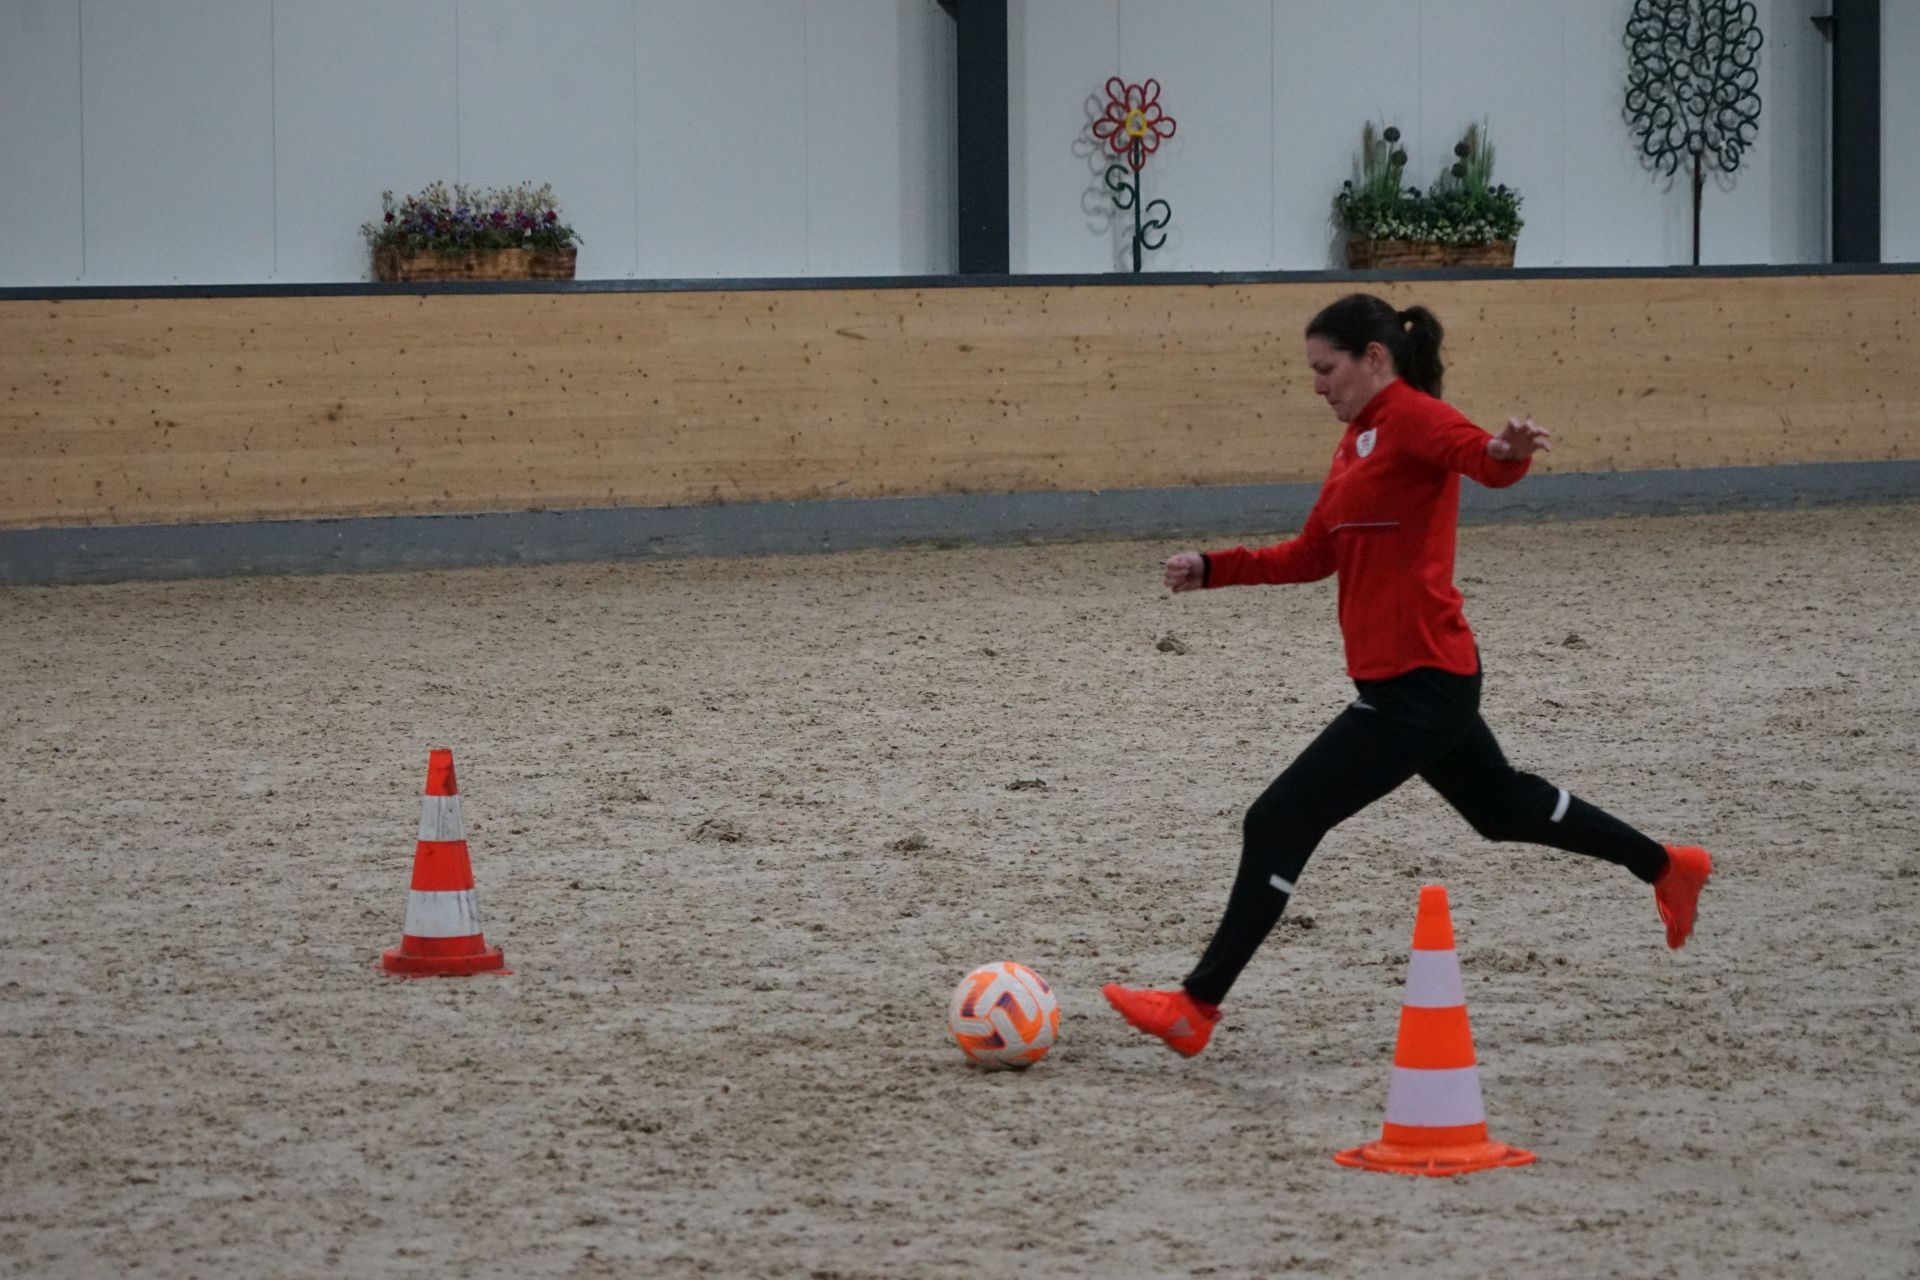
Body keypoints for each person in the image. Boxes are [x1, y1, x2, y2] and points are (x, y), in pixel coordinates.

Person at [1102, 292, 1713, 1058]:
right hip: (1415, 682)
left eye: (1327, 369)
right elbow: (1313, 554)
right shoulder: (1353, 444)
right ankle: (1668, 866)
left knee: (1278, 820)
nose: (1317, 385)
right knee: (1501, 808)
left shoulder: (1417, 418)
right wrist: (1213, 567)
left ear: (1374, 358)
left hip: (1420, 685)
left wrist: (1509, 450)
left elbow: (1482, 460)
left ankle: (1195, 1007)